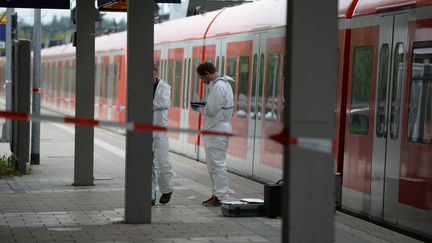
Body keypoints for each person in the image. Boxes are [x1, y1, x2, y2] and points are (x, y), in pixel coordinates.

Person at [194, 62, 234, 207]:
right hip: (218, 128)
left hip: (217, 130)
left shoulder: (218, 86)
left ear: (207, 74)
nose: (202, 82)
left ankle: (221, 196)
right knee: (214, 165)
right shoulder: (224, 84)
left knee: (217, 165)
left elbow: (211, 110)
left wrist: (198, 108)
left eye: (202, 78)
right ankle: (217, 194)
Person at [152, 62, 174, 205]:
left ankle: (167, 189)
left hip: (160, 129)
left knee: (163, 162)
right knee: (147, 164)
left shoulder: (164, 86)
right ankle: (150, 194)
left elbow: (164, 103)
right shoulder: (138, 84)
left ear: (156, 71)